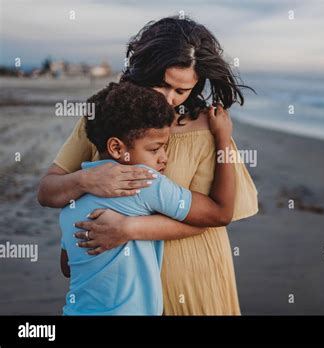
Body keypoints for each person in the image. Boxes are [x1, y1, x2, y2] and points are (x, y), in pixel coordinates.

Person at [38, 16, 258, 315]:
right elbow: (48, 192)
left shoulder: (210, 128)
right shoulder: (107, 117)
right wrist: (85, 181)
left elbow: (216, 217)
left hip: (194, 273)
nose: (169, 99)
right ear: (144, 69)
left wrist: (129, 228)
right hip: (120, 287)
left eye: (182, 91)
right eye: (162, 84)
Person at [60, 81, 235, 315]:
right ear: (116, 147)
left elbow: (66, 267)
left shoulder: (72, 200)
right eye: (155, 149)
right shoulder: (143, 181)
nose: (164, 158)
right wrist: (223, 139)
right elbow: (221, 212)